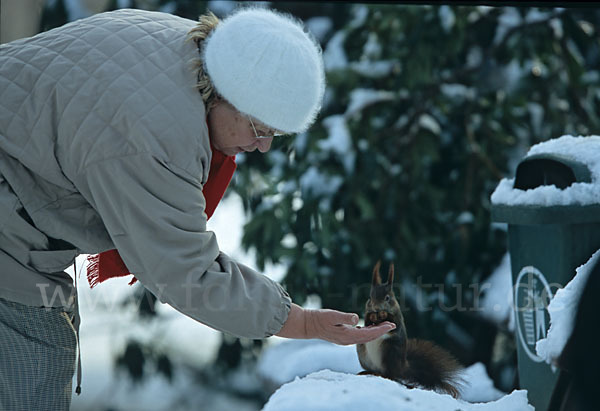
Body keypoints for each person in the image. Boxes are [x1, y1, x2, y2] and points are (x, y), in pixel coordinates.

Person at [0, 7, 395, 409]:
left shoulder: (195, 46)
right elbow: (187, 271)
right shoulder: (156, 138)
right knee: (36, 370)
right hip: (8, 226)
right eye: (261, 129)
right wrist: (302, 322)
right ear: (227, 95)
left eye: (276, 134)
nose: (263, 147)